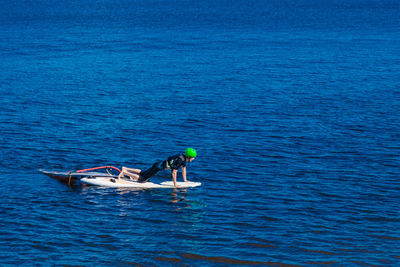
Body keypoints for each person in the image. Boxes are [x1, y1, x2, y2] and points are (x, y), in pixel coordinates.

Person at [118, 148, 197, 188]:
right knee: (142, 179)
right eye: (193, 157)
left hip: (158, 164)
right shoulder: (180, 160)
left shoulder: (182, 158)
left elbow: (184, 169)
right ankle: (125, 172)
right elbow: (174, 172)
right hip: (157, 167)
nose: (194, 158)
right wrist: (175, 184)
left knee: (143, 173)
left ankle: (125, 168)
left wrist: (185, 180)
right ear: (189, 156)